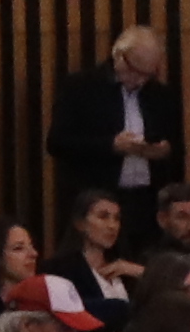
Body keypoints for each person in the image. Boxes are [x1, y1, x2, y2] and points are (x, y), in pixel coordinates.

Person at [44, 23, 179, 236]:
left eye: (148, 74)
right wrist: (111, 145)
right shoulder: (81, 87)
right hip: (97, 202)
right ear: (119, 55)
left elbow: (176, 144)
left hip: (146, 201)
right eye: (136, 71)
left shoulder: (160, 94)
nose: (141, 80)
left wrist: (163, 150)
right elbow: (57, 142)